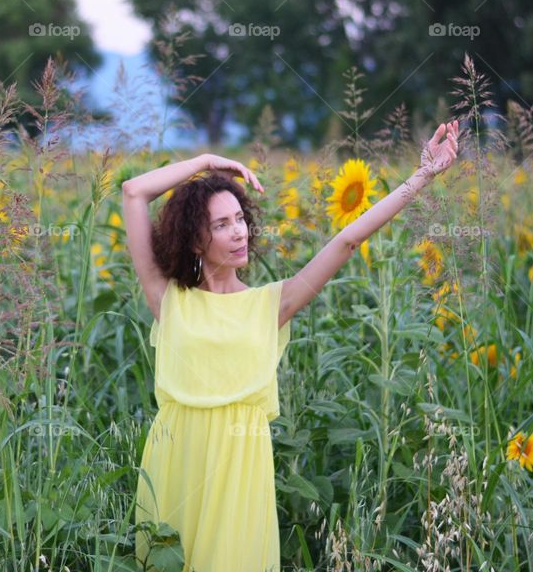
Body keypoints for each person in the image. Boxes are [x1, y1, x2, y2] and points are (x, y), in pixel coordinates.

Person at [122, 121, 459, 571]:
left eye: (240, 218)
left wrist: (422, 176)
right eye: (221, 224)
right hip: (174, 459)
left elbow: (348, 239)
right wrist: (205, 164)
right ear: (194, 238)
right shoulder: (168, 298)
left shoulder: (270, 305)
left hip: (237, 470)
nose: (239, 231)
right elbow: (133, 192)